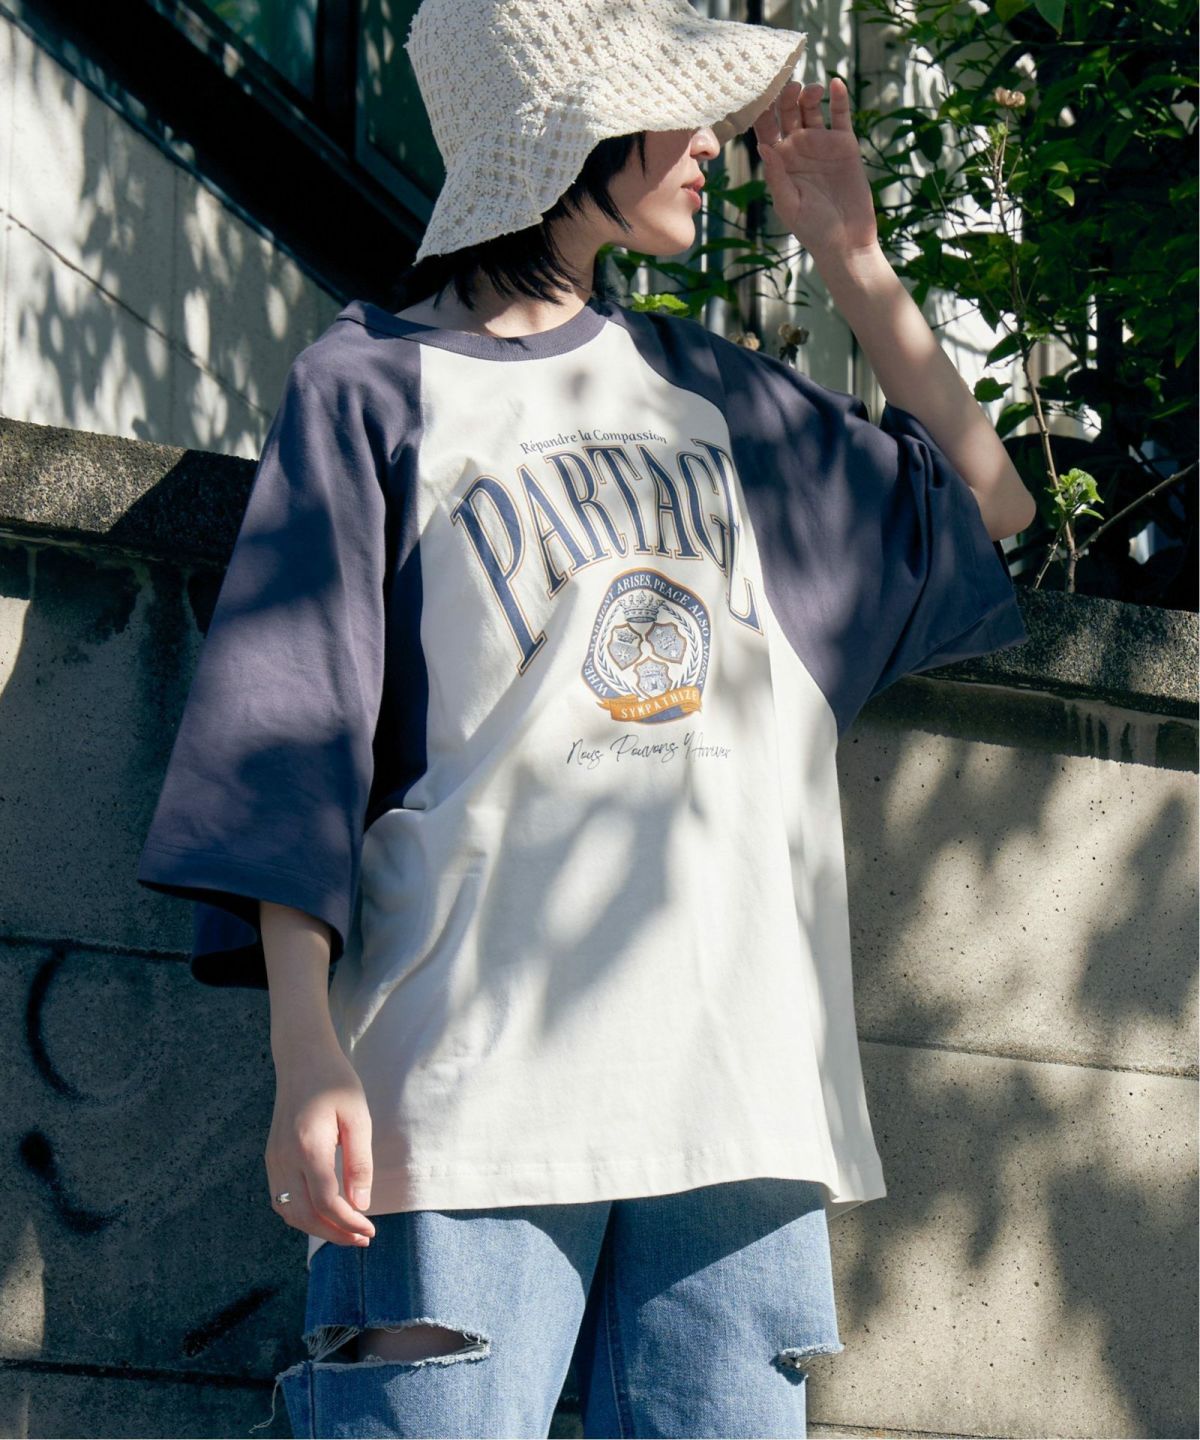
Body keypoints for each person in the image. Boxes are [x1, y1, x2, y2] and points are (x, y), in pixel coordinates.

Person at [136, 0, 1035, 1435]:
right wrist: (305, 1052)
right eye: (677, 113)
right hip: (468, 1089)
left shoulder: (711, 390)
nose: (713, 146)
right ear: (573, 139)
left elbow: (985, 505)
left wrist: (854, 259)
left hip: (740, 1094)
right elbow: (292, 732)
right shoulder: (371, 387)